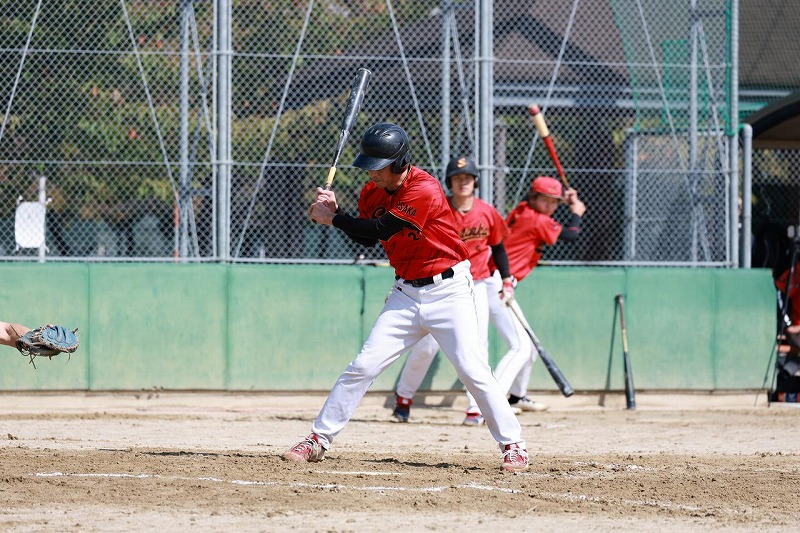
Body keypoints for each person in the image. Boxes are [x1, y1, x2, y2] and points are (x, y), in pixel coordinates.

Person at [284, 123, 529, 471]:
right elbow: (367, 238)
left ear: (400, 163)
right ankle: (318, 439)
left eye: (379, 167)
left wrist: (334, 218)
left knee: (472, 368)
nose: (372, 173)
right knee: (363, 366)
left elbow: (383, 227)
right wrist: (337, 212)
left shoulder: (423, 188)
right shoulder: (371, 191)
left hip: (449, 291)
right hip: (406, 293)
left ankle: (514, 445)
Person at [391, 156, 517, 426]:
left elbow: (498, 247)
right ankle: (404, 396)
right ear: (449, 182)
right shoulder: (439, 208)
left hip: (477, 283)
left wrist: (506, 279)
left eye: (468, 178)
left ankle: (475, 408)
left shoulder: (487, 211)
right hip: (441, 284)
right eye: (457, 178)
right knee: (426, 347)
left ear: (475, 181)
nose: (463, 182)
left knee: (477, 343)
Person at [489, 176, 585, 409]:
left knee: (529, 347)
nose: (550, 206)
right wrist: (577, 212)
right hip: (498, 284)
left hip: (499, 282)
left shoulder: (523, 209)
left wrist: (565, 200)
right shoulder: (536, 219)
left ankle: (516, 397)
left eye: (554, 202)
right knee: (521, 346)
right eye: (544, 200)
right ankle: (492, 402)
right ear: (534, 198)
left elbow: (533, 201)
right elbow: (572, 235)